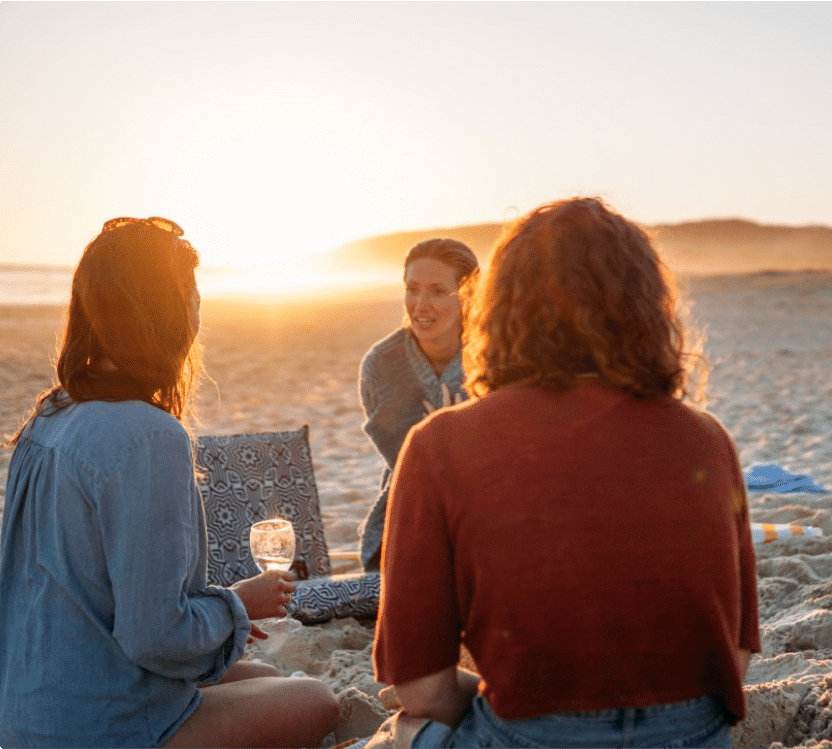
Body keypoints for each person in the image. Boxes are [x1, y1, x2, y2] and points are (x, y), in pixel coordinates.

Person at [372, 198, 760, 747]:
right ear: (647, 306)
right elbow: (736, 657)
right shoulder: (707, 439)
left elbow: (420, 687)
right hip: (691, 734)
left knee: (405, 729)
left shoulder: (440, 445)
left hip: (534, 735)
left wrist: (506, 701)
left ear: (499, 307)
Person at [0, 217, 339, 748]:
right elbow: (155, 637)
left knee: (267, 679)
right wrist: (237, 604)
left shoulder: (48, 416)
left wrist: (220, 618)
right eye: (192, 298)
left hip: (28, 707)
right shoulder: (148, 434)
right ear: (163, 312)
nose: (198, 313)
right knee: (317, 700)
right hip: (99, 724)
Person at [356, 238, 479, 572]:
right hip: (411, 505)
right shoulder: (381, 365)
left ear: (467, 295)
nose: (420, 305)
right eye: (412, 289)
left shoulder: (493, 357)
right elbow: (406, 463)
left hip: (488, 508)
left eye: (438, 291)